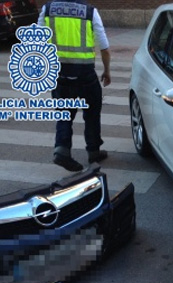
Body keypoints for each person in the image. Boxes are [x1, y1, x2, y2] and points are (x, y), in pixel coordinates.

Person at [38, 0, 111, 172]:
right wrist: (107, 71)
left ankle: (62, 150)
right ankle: (93, 151)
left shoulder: (47, 10)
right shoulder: (90, 12)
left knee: (64, 114)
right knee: (92, 113)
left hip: (59, 74)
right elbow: (105, 47)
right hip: (85, 75)